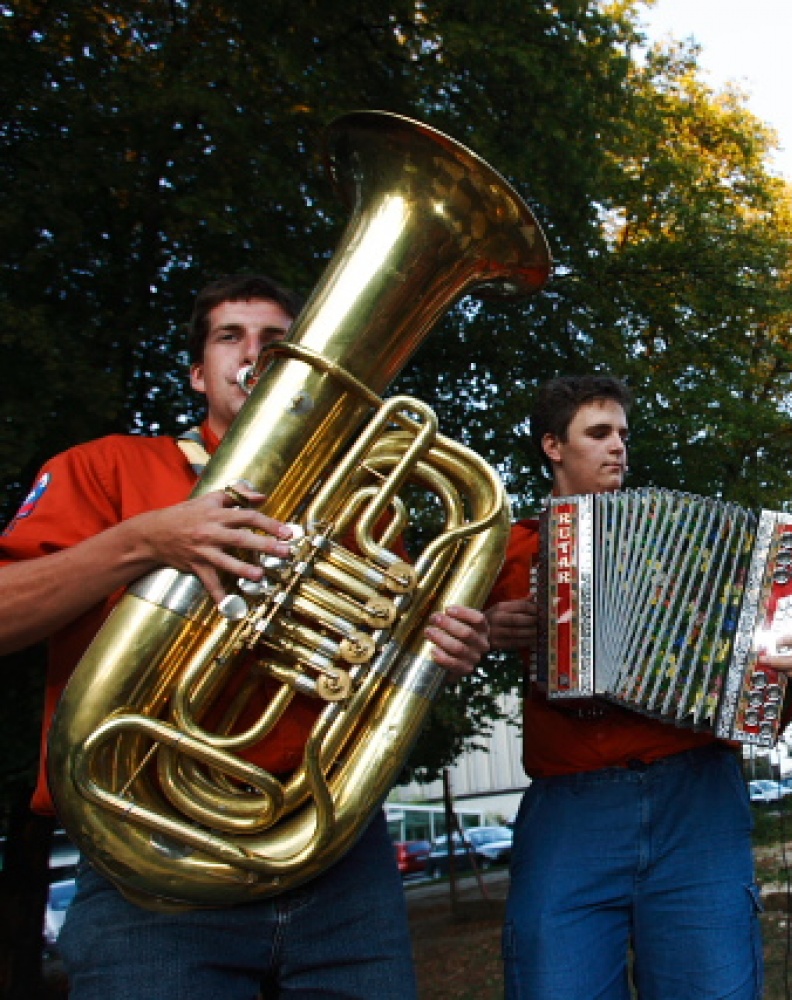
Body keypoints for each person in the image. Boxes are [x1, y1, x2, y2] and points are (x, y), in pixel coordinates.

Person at [0, 274, 492, 999]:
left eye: (280, 342)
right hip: (149, 854)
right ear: (199, 372)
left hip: (330, 848)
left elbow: (367, 668)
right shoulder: (104, 468)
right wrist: (146, 542)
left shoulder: (366, 501)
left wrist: (436, 651)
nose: (256, 355)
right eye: (231, 337)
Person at [484, 375, 792, 1000]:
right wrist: (487, 628)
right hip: (571, 805)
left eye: (623, 434)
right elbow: (438, 645)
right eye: (598, 433)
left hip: (696, 795)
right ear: (553, 446)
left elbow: (770, 651)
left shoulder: (693, 543)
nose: (618, 446)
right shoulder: (511, 548)